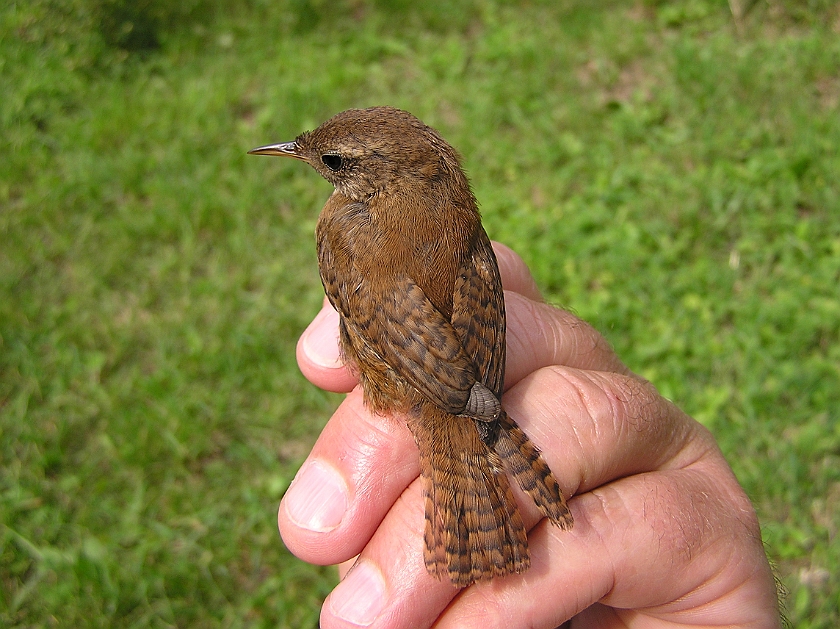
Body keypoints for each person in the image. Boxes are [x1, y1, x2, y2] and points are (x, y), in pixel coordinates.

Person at [279, 242, 783, 628]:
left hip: (430, 379)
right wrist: (475, 394)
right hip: (459, 382)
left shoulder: (340, 233)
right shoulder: (447, 204)